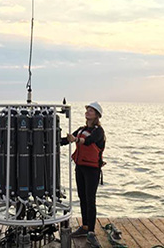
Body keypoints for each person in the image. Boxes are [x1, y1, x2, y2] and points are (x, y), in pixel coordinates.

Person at [67, 102, 105, 248]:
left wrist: (76, 139)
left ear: (96, 115)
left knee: (90, 200)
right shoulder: (82, 129)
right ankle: (84, 227)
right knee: (82, 197)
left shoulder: (98, 131)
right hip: (80, 167)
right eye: (87, 110)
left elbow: (89, 141)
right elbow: (67, 140)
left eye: (91, 111)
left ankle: (91, 232)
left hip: (92, 170)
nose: (88, 112)